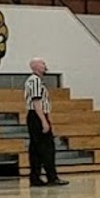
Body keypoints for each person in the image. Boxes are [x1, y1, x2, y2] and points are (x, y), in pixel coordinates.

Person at [25, 57, 67, 187]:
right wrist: (44, 120)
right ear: (35, 66)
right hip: (37, 115)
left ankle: (35, 177)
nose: (45, 66)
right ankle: (51, 177)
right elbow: (37, 102)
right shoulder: (35, 81)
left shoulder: (33, 81)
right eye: (42, 63)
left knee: (36, 149)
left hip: (34, 116)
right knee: (47, 147)